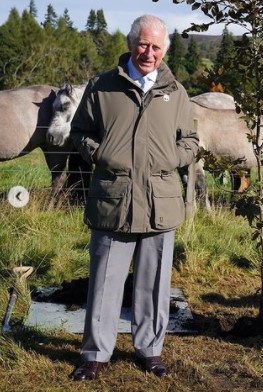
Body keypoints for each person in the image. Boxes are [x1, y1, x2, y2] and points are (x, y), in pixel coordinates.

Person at [69, 14, 199, 381]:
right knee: (104, 281)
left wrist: (171, 159)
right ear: (129, 44)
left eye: (157, 46)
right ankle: (95, 354)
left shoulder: (176, 92)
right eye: (143, 44)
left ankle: (150, 350)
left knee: (155, 282)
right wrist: (101, 154)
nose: (149, 52)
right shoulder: (102, 87)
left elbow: (190, 140)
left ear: (165, 50)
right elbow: (80, 132)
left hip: (161, 202)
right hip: (114, 199)